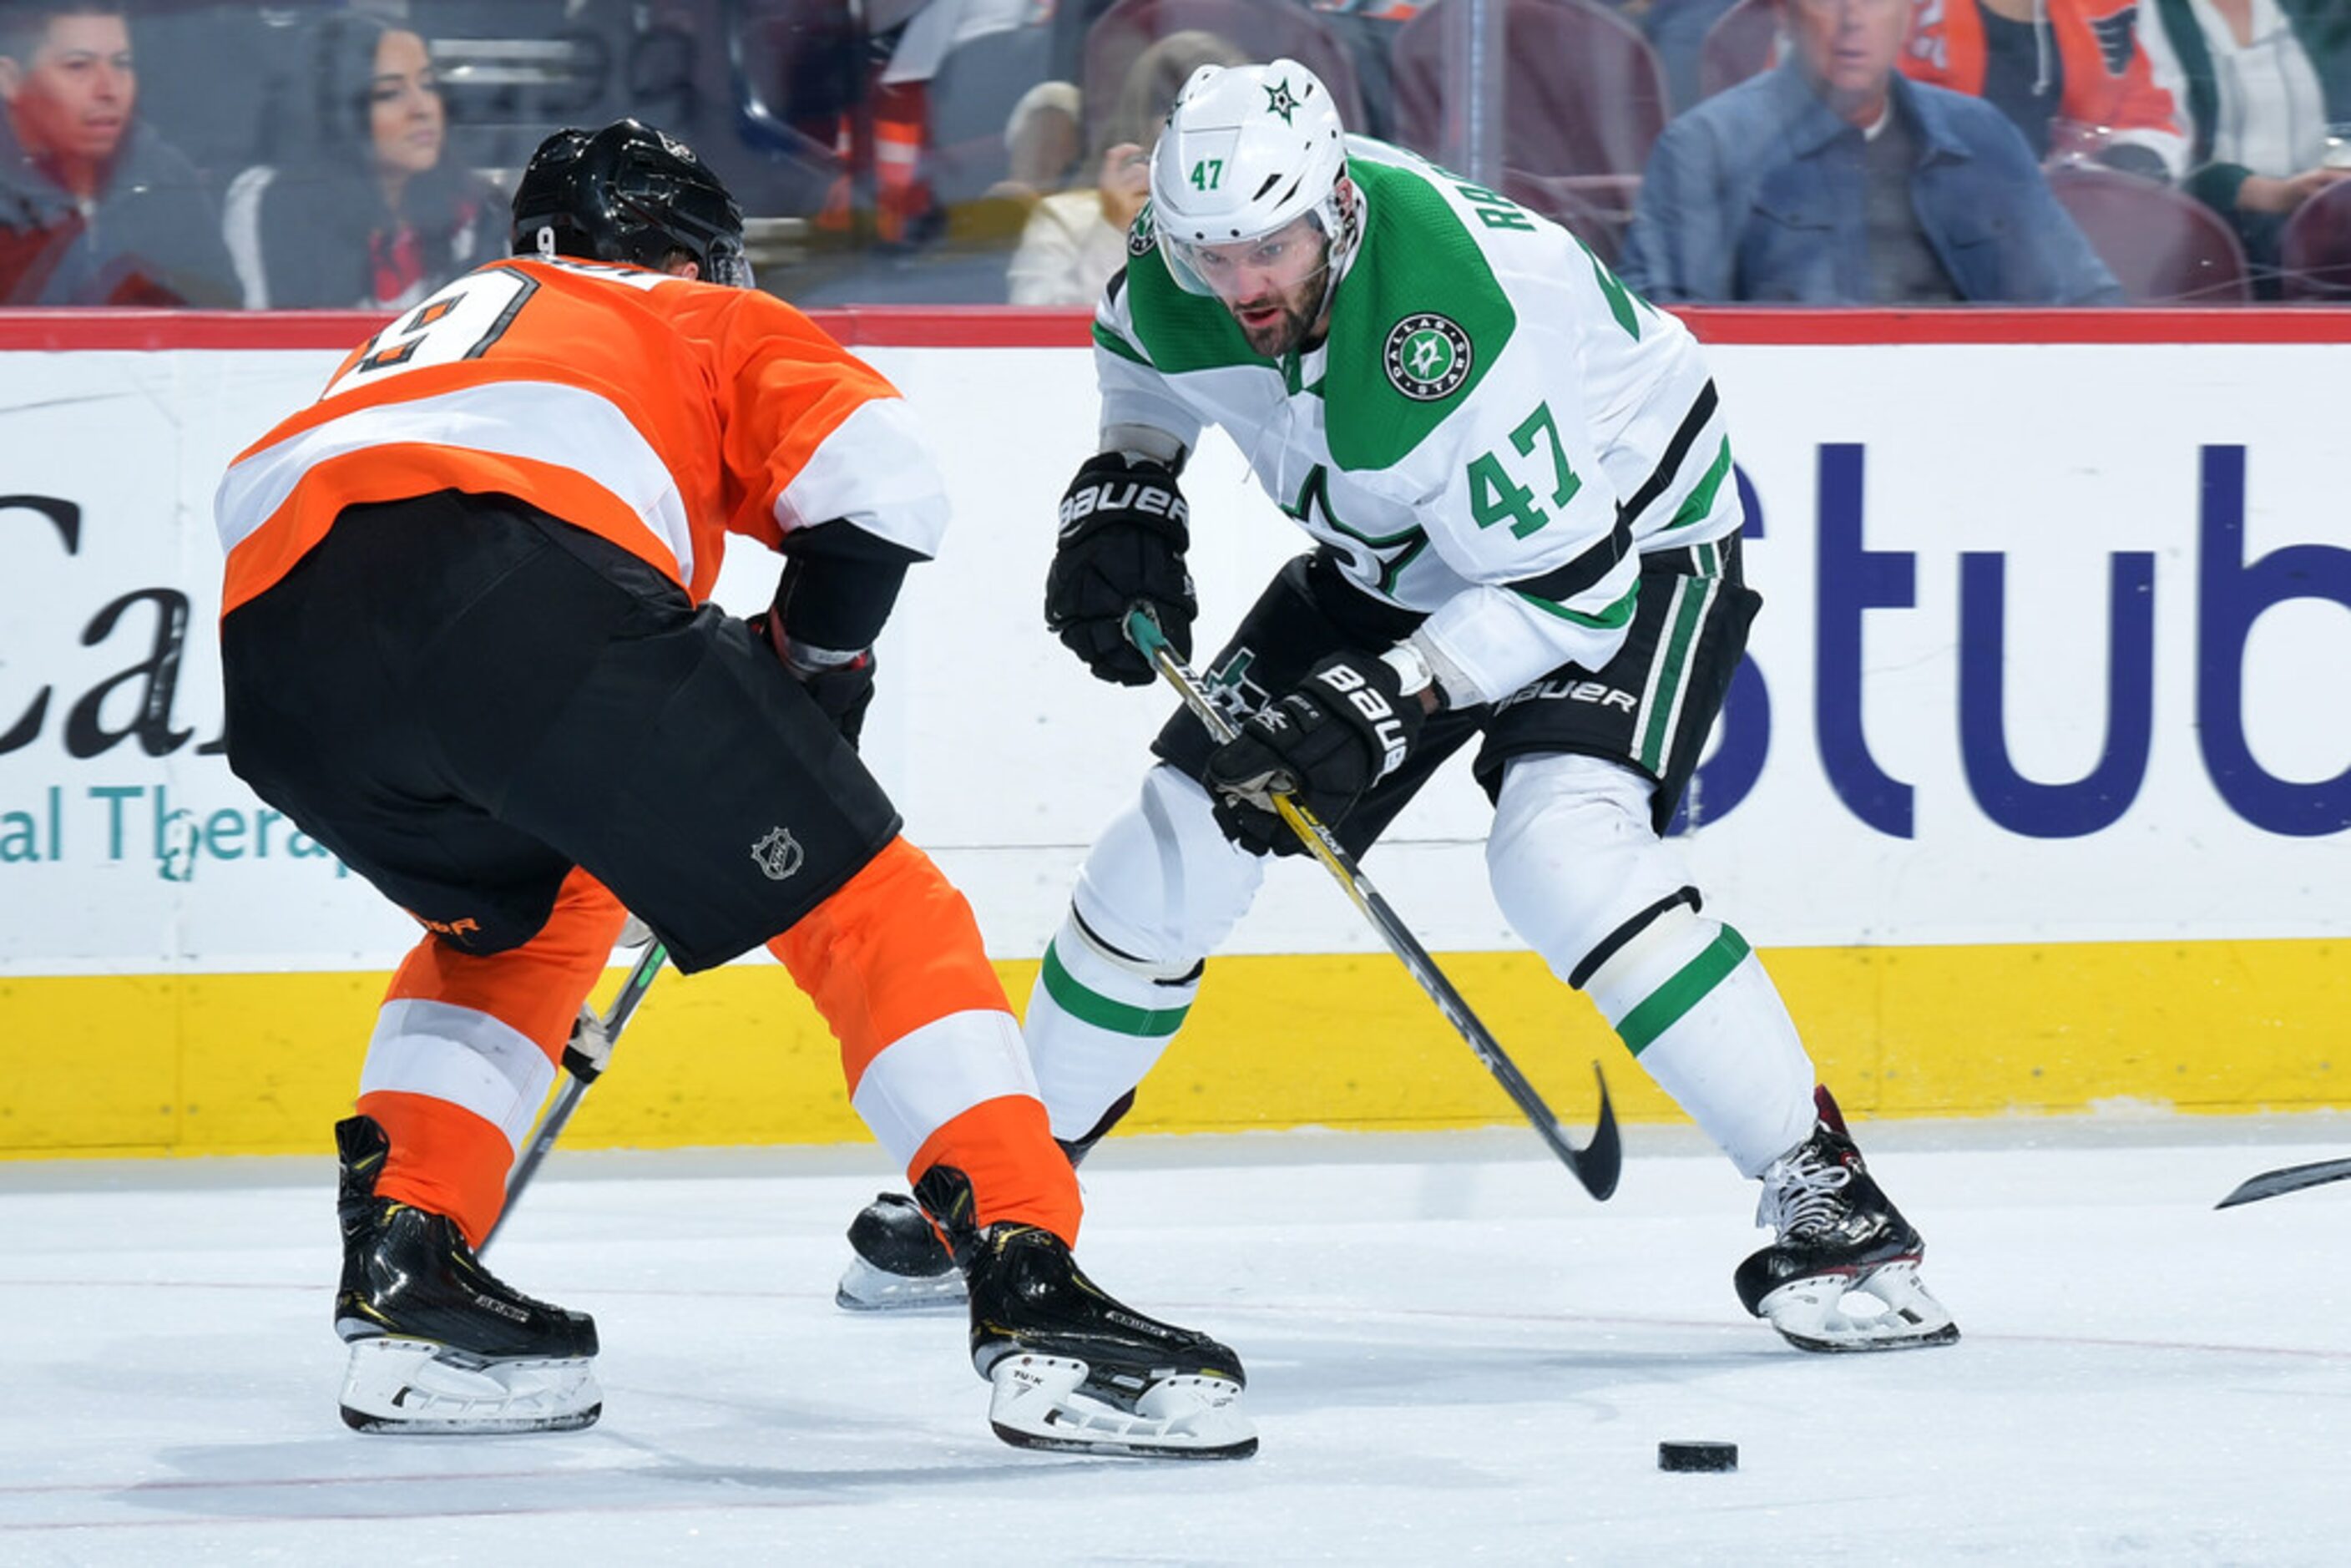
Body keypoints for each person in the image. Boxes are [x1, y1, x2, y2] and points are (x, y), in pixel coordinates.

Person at [837, 60, 1960, 1356]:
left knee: (1560, 850)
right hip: (1396, 551)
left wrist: (1393, 694)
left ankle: (1828, 1196)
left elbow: (1570, 594)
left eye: (1273, 246)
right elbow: (1144, 357)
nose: (1244, 282)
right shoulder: (1183, 259)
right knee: (1171, 846)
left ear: (1341, 212)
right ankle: (1013, 1185)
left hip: (1624, 553)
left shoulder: (1454, 322)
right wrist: (1130, 477)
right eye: (1216, 254)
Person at [210, 118, 1252, 1459]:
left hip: (280, 655)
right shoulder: (685, 312)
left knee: (519, 925)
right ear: (683, 251)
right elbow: (881, 484)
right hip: (518, 589)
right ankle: (1029, 1279)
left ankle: (410, 1265)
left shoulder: (445, 318)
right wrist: (813, 675)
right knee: (877, 905)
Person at [1617, 0, 2121, 302]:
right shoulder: (1708, 148)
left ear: (1909, 12)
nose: (1852, 20)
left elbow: (2088, 305)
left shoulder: (1981, 137)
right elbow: (1662, 345)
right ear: (1787, 14)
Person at [221, 14, 506, 311]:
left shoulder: (476, 210)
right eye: (389, 93)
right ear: (340, 113)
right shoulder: (270, 199)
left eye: (428, 85)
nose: (422, 109)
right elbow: (258, 342)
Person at [0, 0, 236, 305]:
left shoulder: (163, 174)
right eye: (78, 66)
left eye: (122, 64)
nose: (108, 89)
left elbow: (222, 315)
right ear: (10, 80)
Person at [1006, 29, 1243, 306]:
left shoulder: (1281, 218)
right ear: (1142, 120)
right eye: (1174, 109)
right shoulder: (1065, 222)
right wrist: (1117, 230)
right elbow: (1036, 338)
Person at [2139, 0, 2351, 288]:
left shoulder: (2318, 12)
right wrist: (2272, 194)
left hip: (2324, 245)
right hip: (2203, 259)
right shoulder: (2148, 13)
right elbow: (2146, 157)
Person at [1901, 0, 2190, 180]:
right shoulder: (1897, 13)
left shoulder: (2116, 5)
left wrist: (2100, 181)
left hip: (2075, 237)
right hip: (1931, 239)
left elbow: (2153, 120)